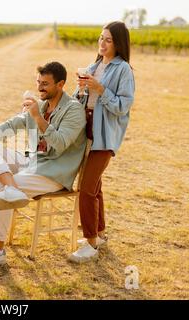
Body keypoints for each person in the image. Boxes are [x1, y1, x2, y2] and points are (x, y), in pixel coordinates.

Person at [0, 61, 87, 268]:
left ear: (61, 84)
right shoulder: (43, 104)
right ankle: (12, 188)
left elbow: (60, 144)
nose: (40, 88)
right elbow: (12, 125)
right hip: (33, 162)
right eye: (38, 82)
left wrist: (37, 117)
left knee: (1, 188)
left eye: (45, 83)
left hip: (54, 172)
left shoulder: (73, 110)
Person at [69, 21, 135, 263]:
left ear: (118, 44)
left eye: (108, 40)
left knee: (85, 189)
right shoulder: (92, 66)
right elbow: (82, 100)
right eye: (101, 38)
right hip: (86, 133)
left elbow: (123, 106)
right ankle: (100, 234)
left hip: (104, 137)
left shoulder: (123, 70)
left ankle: (91, 243)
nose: (103, 43)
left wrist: (100, 89)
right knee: (95, 187)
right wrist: (81, 90)